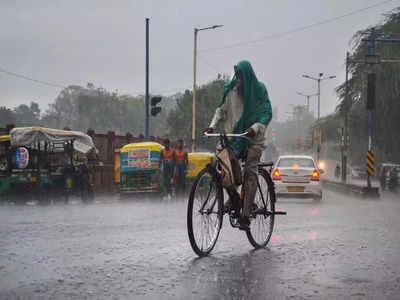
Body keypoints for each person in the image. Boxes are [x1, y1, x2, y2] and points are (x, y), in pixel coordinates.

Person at [204, 60, 272, 230]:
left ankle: (246, 214)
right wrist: (212, 124)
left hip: (253, 139)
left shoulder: (259, 90)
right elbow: (221, 110)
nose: (237, 78)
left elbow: (266, 113)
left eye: (240, 75)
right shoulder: (230, 90)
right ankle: (233, 197)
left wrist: (255, 128)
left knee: (250, 171)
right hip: (234, 138)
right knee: (221, 167)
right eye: (236, 74)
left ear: (247, 75)